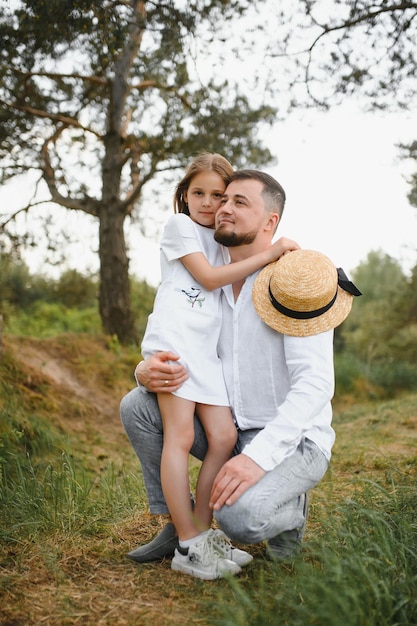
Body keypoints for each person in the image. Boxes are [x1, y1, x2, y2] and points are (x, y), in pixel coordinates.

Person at [120, 169, 361, 578]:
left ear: (271, 222)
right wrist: (144, 370)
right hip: (230, 429)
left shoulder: (292, 281)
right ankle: (183, 529)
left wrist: (257, 459)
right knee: (136, 406)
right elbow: (180, 336)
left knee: (240, 519)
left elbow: (316, 385)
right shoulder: (208, 278)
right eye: (222, 199)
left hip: (292, 441)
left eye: (239, 202)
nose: (222, 208)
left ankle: (290, 513)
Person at [139, 154, 299, 580]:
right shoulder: (180, 227)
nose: (209, 203)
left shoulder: (222, 237)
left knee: (224, 436)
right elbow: (210, 280)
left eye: (220, 195)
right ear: (184, 196)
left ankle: (204, 532)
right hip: (176, 344)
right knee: (181, 435)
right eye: (199, 193)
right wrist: (275, 252)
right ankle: (188, 541)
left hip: (205, 352)